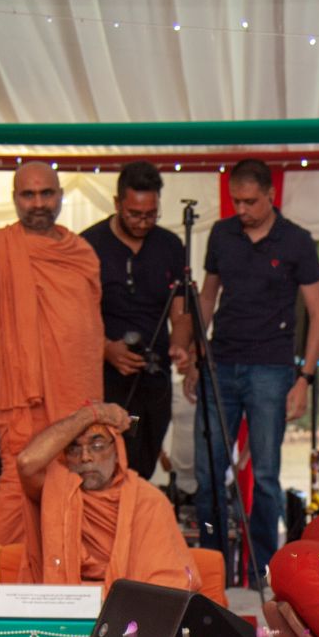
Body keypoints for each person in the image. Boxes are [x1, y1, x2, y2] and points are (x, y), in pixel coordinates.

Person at [0, 161, 106, 548]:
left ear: (60, 196)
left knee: (79, 492)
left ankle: (71, 584)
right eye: (28, 194)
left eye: (47, 193)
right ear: (15, 199)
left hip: (79, 402)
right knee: (15, 493)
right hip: (24, 402)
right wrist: (5, 374)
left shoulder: (82, 252)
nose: (38, 203)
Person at [196, 158, 319, 582]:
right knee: (209, 470)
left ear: (271, 196)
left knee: (266, 475)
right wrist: (196, 354)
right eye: (236, 201)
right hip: (221, 363)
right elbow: (208, 297)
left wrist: (304, 378)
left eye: (251, 202)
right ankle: (212, 568)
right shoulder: (222, 234)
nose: (243, 210)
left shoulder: (297, 241)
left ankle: (262, 572)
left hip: (272, 368)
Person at [83, 161, 196, 481]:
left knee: (142, 465)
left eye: (151, 214)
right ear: (118, 204)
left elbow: (182, 310)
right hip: (103, 376)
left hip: (154, 372)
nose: (143, 222)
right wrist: (106, 348)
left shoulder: (170, 245)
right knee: (105, 460)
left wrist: (179, 344)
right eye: (134, 214)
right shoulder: (88, 245)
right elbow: (74, 316)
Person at [13, 401, 194, 593]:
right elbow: (26, 462)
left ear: (117, 452)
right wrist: (92, 414)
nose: (85, 457)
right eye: (74, 449)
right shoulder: (56, 491)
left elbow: (170, 582)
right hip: (64, 602)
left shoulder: (148, 500)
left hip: (126, 606)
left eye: (97, 446)